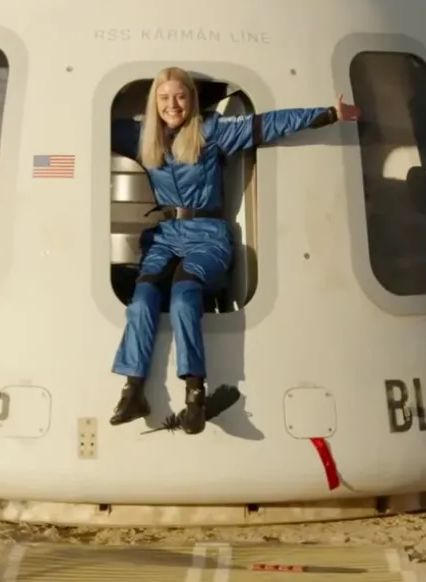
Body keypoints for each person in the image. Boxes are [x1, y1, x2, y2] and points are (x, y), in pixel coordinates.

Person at [106, 66, 361, 434]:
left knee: (184, 295)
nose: (172, 105)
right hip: (166, 235)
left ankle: (195, 393)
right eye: (164, 98)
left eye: (180, 97)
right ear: (154, 103)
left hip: (207, 234)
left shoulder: (211, 132)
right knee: (143, 298)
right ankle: (133, 389)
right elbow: (85, 121)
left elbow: (266, 125)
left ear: (191, 99)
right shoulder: (141, 136)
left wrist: (327, 114)